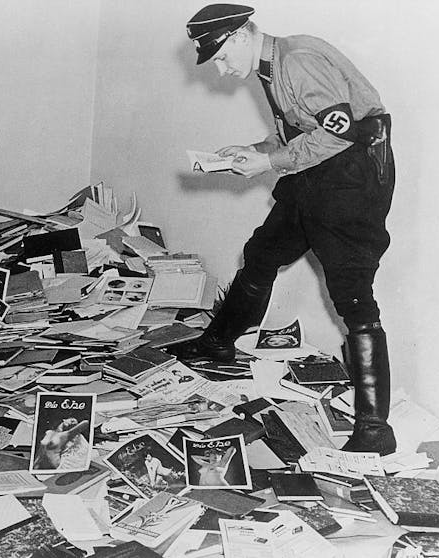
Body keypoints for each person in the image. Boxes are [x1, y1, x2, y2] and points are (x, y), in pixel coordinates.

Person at [170, 5, 396, 455]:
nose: (220, 67)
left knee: (352, 295)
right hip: (316, 174)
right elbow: (302, 133)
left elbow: (342, 133)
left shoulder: (297, 60)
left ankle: (375, 429)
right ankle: (218, 343)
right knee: (262, 253)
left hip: (350, 180)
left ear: (238, 36)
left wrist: (270, 163)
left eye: (219, 56)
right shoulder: (272, 67)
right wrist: (253, 151)